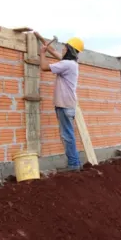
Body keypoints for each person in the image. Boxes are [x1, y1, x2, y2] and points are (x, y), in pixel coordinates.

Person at [39, 36, 84, 171]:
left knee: (67, 135)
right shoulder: (71, 64)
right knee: (68, 134)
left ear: (69, 50)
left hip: (64, 105)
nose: (62, 49)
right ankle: (75, 163)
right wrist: (42, 40)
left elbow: (44, 67)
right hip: (67, 104)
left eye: (65, 47)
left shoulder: (66, 64)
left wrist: (42, 53)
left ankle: (73, 165)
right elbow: (54, 51)